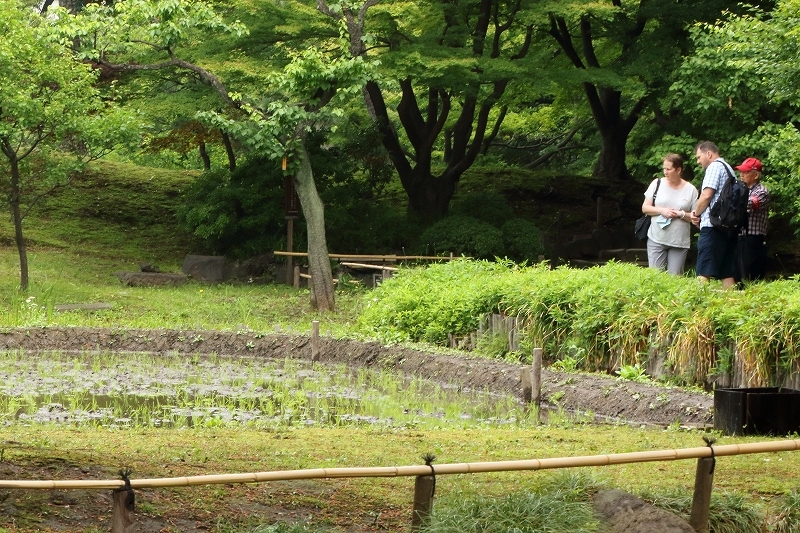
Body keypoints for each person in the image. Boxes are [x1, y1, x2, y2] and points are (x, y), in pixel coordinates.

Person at [690, 141, 738, 288]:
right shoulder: (728, 169)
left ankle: (697, 305)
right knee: (726, 271)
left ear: (708, 154)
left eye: (699, 157)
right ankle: (732, 306)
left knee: (703, 269)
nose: (698, 161)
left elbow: (706, 195)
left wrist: (696, 214)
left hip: (712, 226)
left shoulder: (714, 167)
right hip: (727, 226)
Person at [641, 153, 699, 275]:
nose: (665, 172)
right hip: (656, 238)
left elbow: (695, 218)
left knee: (675, 279)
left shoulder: (691, 190)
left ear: (678, 170)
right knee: (655, 278)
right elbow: (645, 208)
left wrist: (680, 214)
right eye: (664, 169)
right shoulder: (657, 184)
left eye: (669, 169)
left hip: (679, 241)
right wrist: (662, 211)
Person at [734, 157, 770, 283]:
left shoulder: (762, 191)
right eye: (741, 172)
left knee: (750, 277)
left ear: (755, 175)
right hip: (739, 238)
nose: (741, 175)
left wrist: (730, 201)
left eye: (745, 172)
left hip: (753, 240)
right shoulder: (741, 190)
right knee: (737, 275)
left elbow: (749, 204)